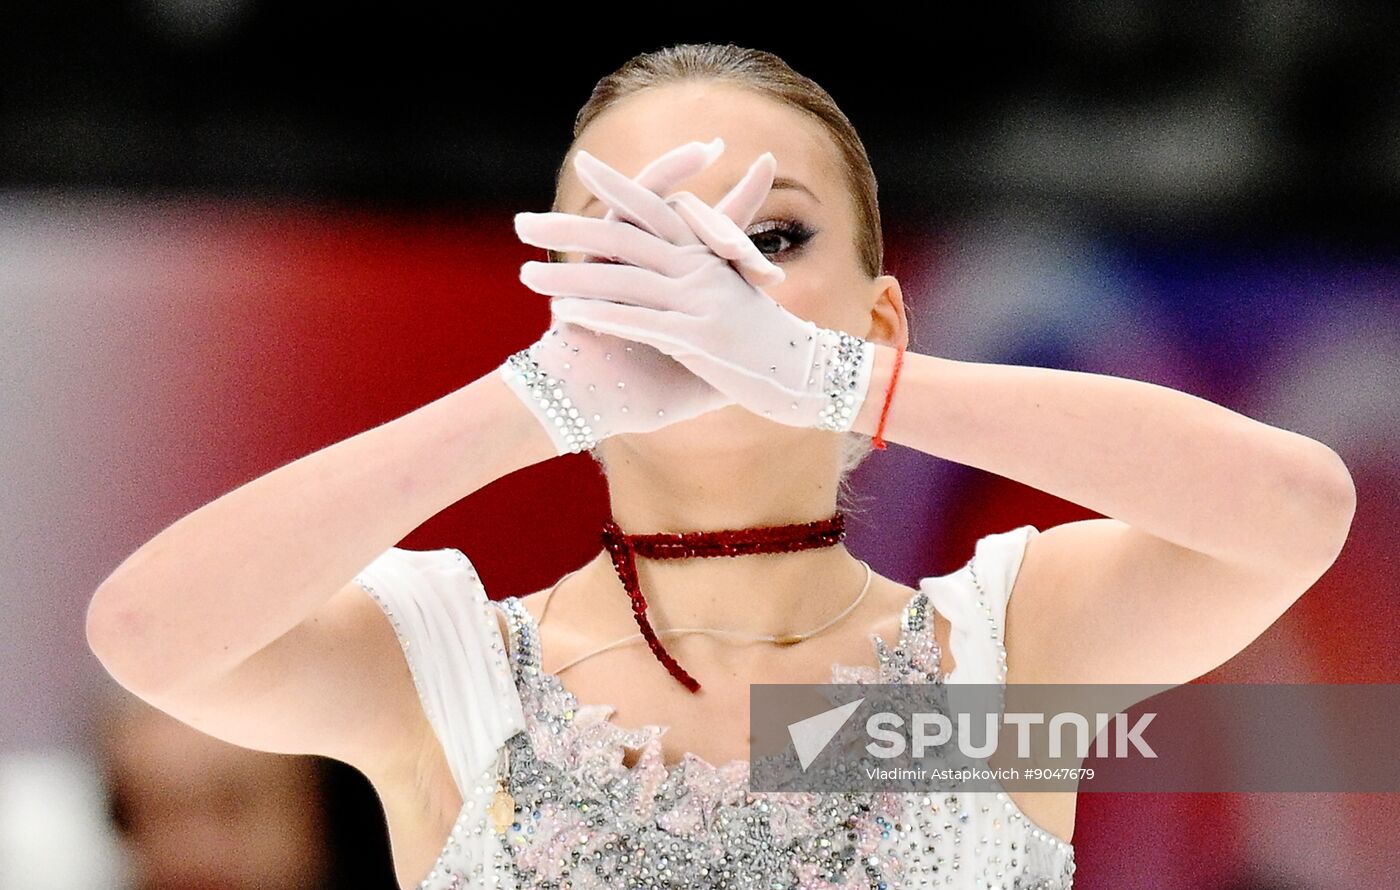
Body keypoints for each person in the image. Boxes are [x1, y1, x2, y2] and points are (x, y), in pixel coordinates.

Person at [85, 43, 1357, 890]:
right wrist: (533, 399)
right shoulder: (446, 671)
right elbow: (149, 632)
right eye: (635, 245)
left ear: (880, 319)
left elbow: (1291, 508)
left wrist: (832, 380)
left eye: (769, 233)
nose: (706, 284)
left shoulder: (997, 659)